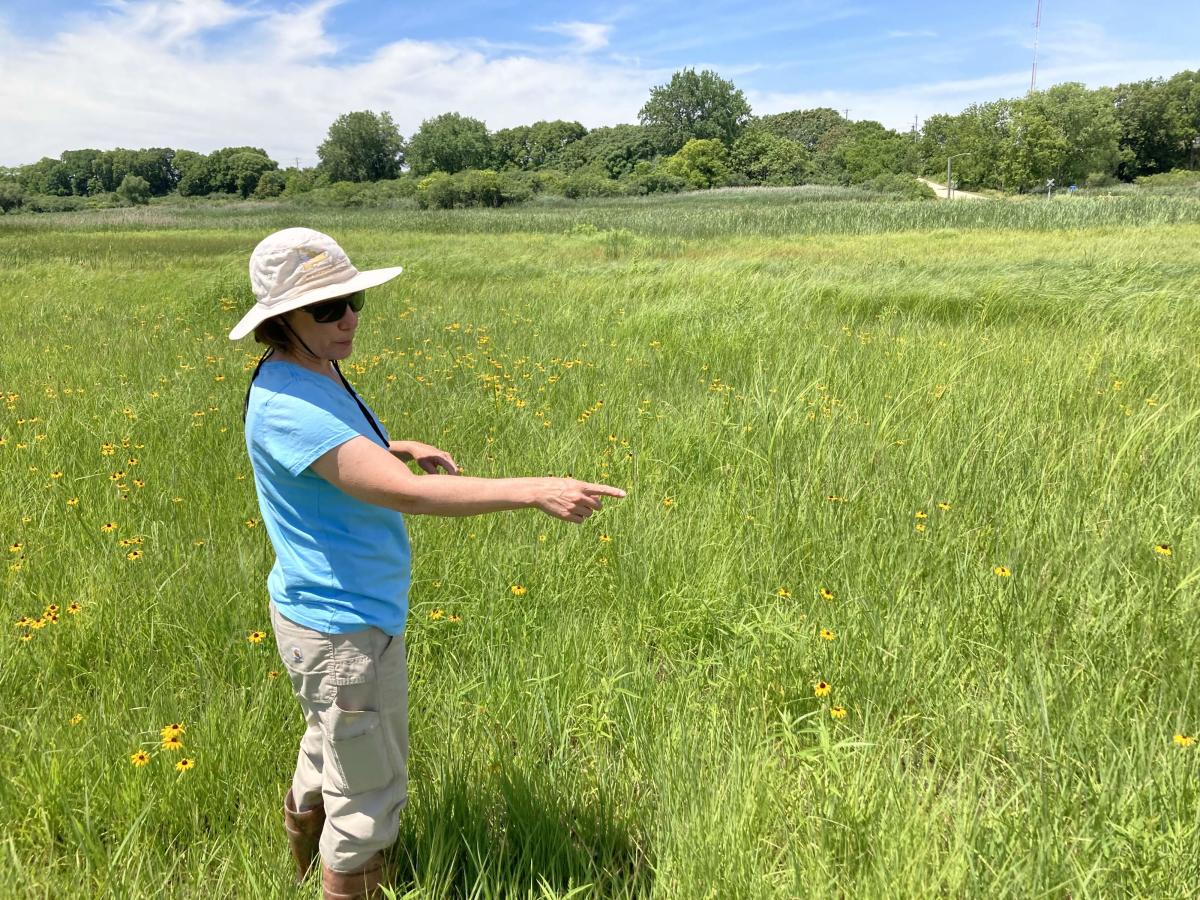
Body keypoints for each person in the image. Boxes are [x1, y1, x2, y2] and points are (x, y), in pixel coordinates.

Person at [229, 228, 626, 899]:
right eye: (327, 309)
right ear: (281, 320)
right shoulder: (290, 405)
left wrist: (395, 444)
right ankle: (336, 877)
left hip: (324, 615)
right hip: (343, 626)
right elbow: (404, 494)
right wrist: (534, 489)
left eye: (351, 299)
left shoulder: (310, 369)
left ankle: (296, 862)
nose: (349, 317)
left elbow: (347, 452)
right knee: (369, 801)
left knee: (329, 743)